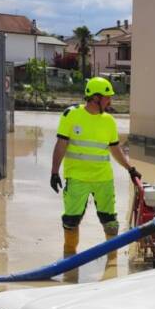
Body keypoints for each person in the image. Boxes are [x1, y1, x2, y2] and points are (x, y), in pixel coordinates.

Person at [49, 76, 137, 267]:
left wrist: (130, 169)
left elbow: (115, 149)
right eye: (107, 97)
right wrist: (54, 172)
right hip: (77, 178)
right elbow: (61, 145)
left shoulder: (109, 121)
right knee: (71, 221)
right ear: (96, 98)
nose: (110, 101)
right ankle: (69, 262)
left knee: (110, 221)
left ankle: (111, 263)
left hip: (103, 179)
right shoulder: (71, 115)